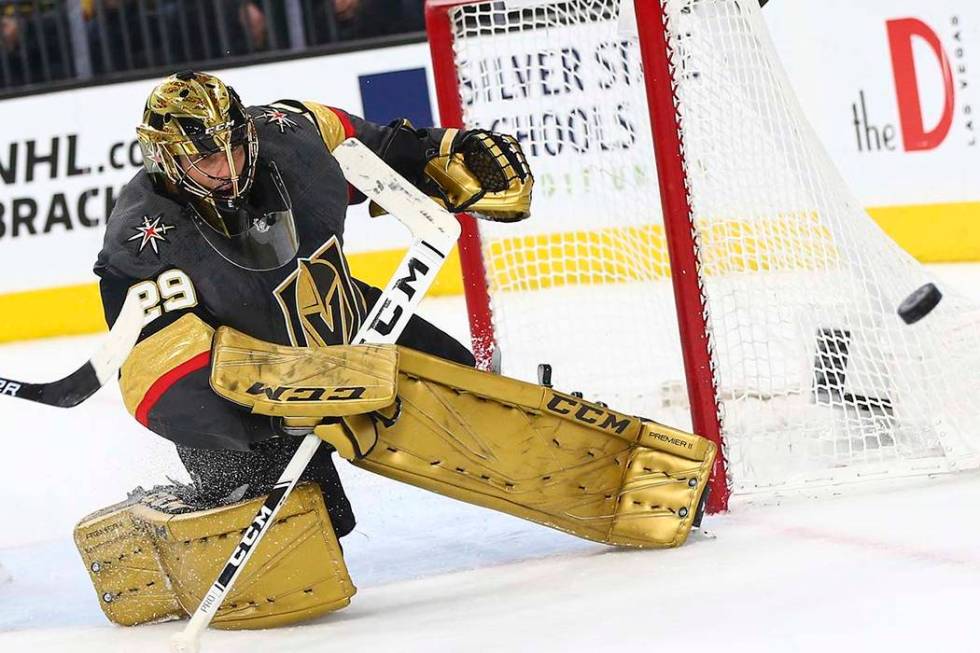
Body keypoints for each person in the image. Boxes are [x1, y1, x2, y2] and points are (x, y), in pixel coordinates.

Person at [92, 69, 531, 534]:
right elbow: (155, 383)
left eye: (234, 146)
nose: (228, 166)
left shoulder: (293, 134)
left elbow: (379, 150)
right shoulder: (140, 242)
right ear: (164, 156)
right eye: (205, 157)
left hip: (347, 326)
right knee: (314, 527)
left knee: (482, 405)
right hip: (254, 409)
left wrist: (442, 155)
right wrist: (282, 412)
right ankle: (208, 502)